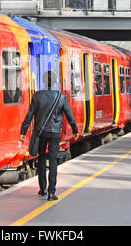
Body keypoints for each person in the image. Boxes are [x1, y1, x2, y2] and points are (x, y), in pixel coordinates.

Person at [20, 70, 79, 201]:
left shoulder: (37, 96)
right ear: (55, 81)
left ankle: (43, 189)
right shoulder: (61, 96)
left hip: (41, 133)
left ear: (43, 81)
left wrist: (23, 132)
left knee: (41, 158)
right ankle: (52, 193)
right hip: (54, 133)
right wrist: (75, 130)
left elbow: (29, 115)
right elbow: (69, 115)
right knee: (53, 161)